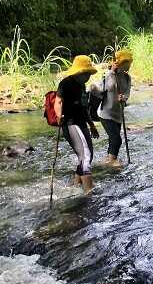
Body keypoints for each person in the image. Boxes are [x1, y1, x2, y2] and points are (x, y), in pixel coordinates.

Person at [54, 55, 100, 194]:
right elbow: (58, 101)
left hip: (81, 122)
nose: (88, 76)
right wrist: (58, 116)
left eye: (89, 73)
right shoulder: (65, 83)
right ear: (79, 72)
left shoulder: (82, 85)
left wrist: (91, 125)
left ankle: (75, 185)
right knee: (85, 155)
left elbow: (83, 107)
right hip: (70, 123)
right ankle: (88, 191)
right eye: (86, 73)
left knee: (88, 155)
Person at [91, 49, 133, 167]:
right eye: (127, 63)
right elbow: (99, 91)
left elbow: (127, 93)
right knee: (117, 140)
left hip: (118, 114)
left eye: (129, 62)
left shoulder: (127, 78)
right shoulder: (108, 74)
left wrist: (123, 98)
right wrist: (110, 73)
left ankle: (108, 161)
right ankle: (112, 162)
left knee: (112, 139)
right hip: (105, 113)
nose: (129, 65)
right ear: (120, 63)